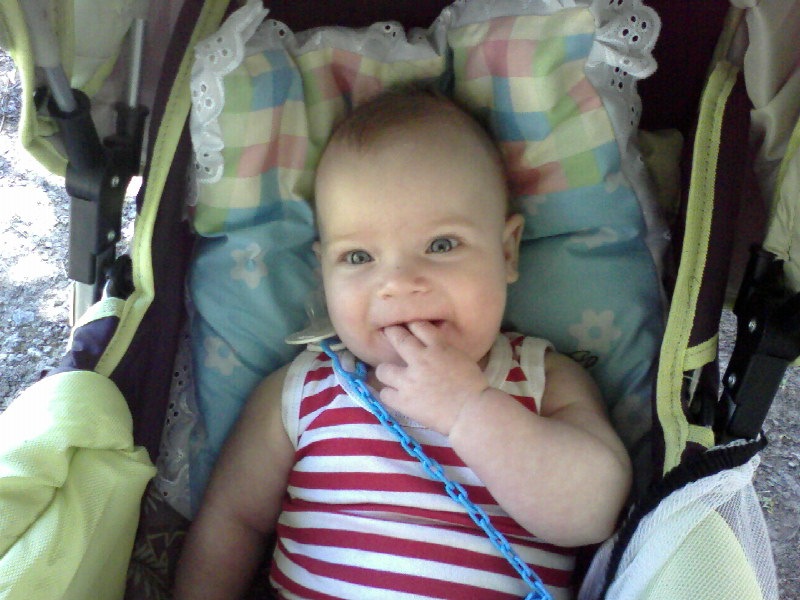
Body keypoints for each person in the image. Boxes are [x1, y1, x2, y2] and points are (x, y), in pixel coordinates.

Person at [173, 86, 632, 599]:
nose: (398, 282)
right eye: (358, 257)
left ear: (507, 252)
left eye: (441, 245)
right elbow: (231, 521)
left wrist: (470, 409)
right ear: (323, 272)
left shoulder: (542, 380)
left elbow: (593, 515)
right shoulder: (302, 393)